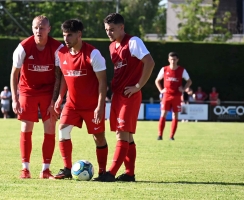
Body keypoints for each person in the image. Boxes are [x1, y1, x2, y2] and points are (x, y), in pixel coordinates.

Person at [97, 13, 155, 182]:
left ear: (122, 27)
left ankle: (111, 173)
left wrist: (138, 86)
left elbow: (149, 62)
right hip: (117, 95)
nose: (109, 33)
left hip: (130, 95)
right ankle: (129, 173)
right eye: (107, 30)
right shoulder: (111, 46)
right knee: (126, 136)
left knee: (122, 134)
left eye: (112, 29)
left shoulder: (133, 42)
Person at [53, 19, 108, 181]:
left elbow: (103, 82)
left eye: (69, 35)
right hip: (72, 104)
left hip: (92, 105)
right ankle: (67, 169)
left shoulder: (93, 54)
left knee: (98, 137)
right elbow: (64, 76)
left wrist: (99, 106)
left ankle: (103, 172)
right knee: (62, 130)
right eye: (64, 35)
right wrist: (60, 98)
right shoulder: (61, 53)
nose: (66, 38)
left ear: (79, 34)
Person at [10, 15, 63, 179]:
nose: (38, 31)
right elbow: (14, 74)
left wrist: (55, 100)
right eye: (35, 28)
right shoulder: (23, 47)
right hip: (28, 90)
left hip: (48, 91)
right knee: (26, 128)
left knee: (50, 128)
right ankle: (25, 169)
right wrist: (14, 98)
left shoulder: (57, 48)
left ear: (49, 29)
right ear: (32, 29)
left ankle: (45, 170)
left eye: (42, 28)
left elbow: (61, 76)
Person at [155, 52, 192, 140]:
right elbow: (157, 80)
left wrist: (183, 89)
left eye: (174, 59)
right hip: (166, 95)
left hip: (177, 96)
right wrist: (161, 90)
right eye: (171, 59)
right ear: (168, 60)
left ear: (177, 60)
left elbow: (189, 81)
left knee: (175, 116)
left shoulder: (182, 70)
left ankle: (171, 136)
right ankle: (160, 135)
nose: (173, 61)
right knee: (163, 114)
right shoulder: (164, 69)